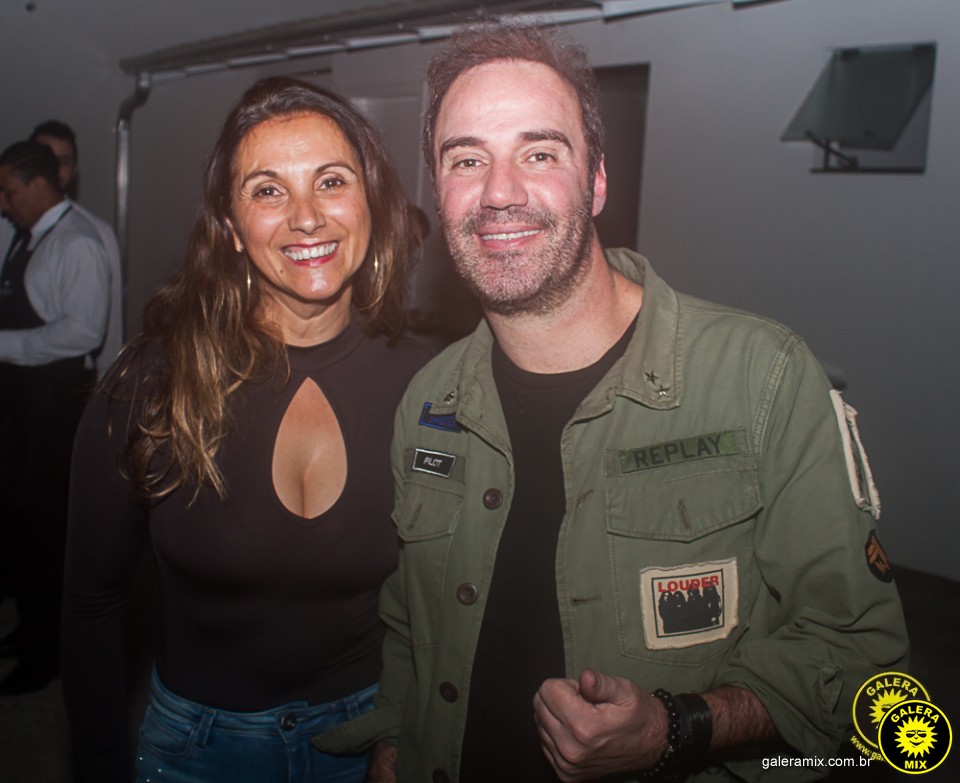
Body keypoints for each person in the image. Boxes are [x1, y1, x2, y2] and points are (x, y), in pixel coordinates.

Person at [313, 21, 909, 782]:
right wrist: (396, 743)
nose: (499, 192)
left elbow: (860, 656)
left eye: (539, 153)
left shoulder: (762, 378)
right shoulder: (430, 400)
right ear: (438, 189)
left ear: (596, 182)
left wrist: (677, 726)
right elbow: (409, 621)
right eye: (467, 159)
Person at [61, 77, 429, 783]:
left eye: (331, 181)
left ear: (373, 203)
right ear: (230, 227)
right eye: (267, 191)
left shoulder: (429, 385)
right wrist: (100, 763)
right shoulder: (152, 384)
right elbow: (90, 603)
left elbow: (441, 602)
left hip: (370, 741)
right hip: (198, 749)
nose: (306, 217)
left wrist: (400, 730)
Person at [0, 141, 111, 694]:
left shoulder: (78, 243)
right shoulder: (28, 238)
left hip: (51, 409)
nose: (3, 205)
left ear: (39, 186)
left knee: (47, 534)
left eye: (9, 193)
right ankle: (29, 630)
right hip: (22, 407)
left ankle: (46, 656)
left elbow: (83, 332)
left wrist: (4, 344)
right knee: (20, 527)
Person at [30, 119, 125, 374]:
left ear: (73, 170)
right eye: (44, 158)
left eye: (62, 162)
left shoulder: (96, 233)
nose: (52, 169)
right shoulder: (5, 228)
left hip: (61, 382)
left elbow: (110, 330)